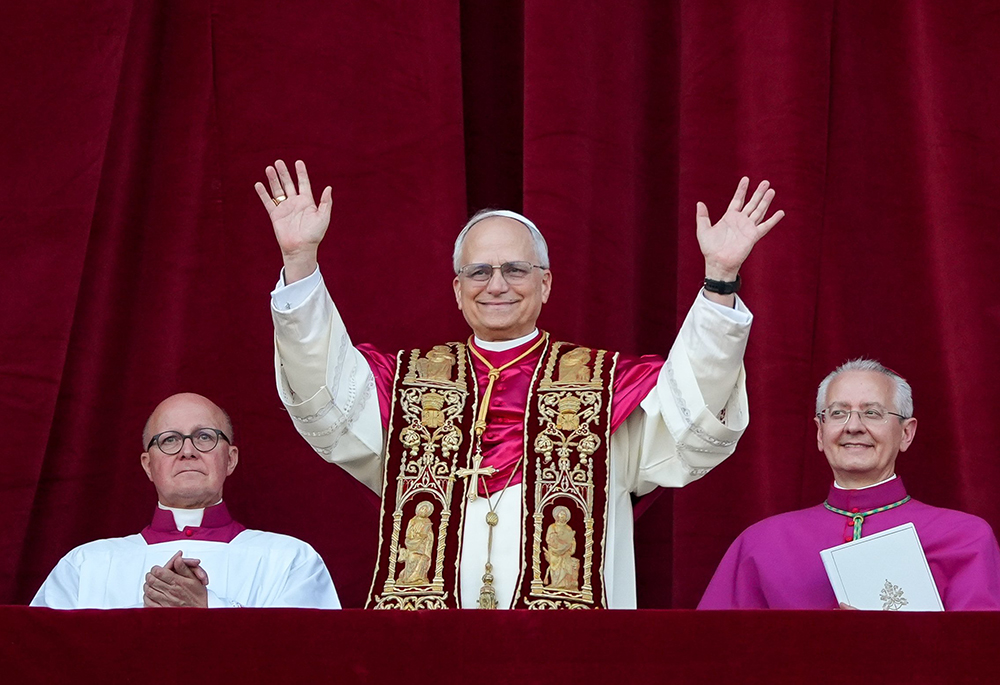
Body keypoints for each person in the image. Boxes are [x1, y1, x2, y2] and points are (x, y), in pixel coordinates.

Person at [257, 159, 784, 609]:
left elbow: (691, 406)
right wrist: (300, 262)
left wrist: (720, 278)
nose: (497, 285)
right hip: (431, 650)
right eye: (479, 272)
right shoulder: (405, 385)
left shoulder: (606, 389)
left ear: (546, 282)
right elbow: (324, 395)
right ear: (457, 289)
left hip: (565, 655)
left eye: (515, 269)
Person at [698, 359, 1000, 610]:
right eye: (838, 413)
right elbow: (712, 657)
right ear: (820, 432)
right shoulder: (760, 544)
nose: (853, 427)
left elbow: (981, 659)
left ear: (906, 433)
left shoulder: (964, 539)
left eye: (872, 412)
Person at [32, 393, 341, 609]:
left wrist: (209, 607)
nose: (187, 451)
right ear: (147, 465)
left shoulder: (292, 560)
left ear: (230, 459)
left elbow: (312, 658)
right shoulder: (86, 565)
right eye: (169, 440)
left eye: (204, 437)